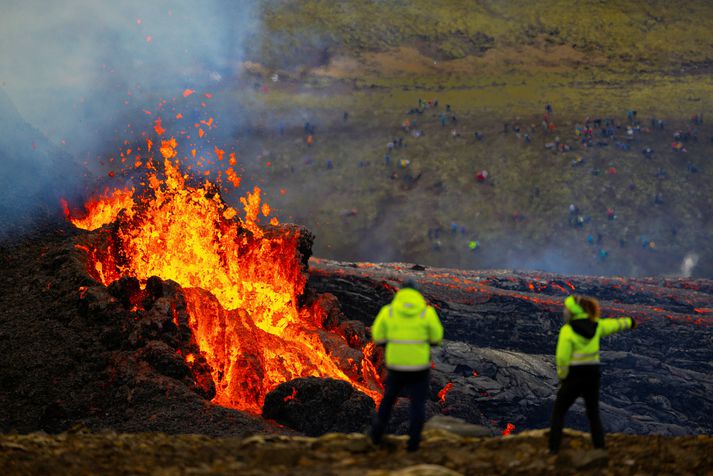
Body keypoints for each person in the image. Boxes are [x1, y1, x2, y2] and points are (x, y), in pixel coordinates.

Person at [549, 295, 637, 454]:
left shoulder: (567, 330)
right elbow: (614, 324)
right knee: (593, 413)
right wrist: (630, 322)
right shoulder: (597, 326)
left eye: (567, 309)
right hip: (592, 375)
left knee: (559, 412)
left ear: (574, 311)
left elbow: (562, 357)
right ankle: (600, 448)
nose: (565, 311)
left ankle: (553, 449)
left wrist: (562, 375)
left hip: (574, 375)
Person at [368, 280, 444, 452]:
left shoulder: (389, 311)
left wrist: (388, 344)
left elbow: (378, 335)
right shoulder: (427, 312)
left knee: (388, 400)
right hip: (419, 368)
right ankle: (414, 443)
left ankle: (376, 435)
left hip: (396, 366)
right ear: (417, 293)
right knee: (417, 404)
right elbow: (437, 337)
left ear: (400, 292)